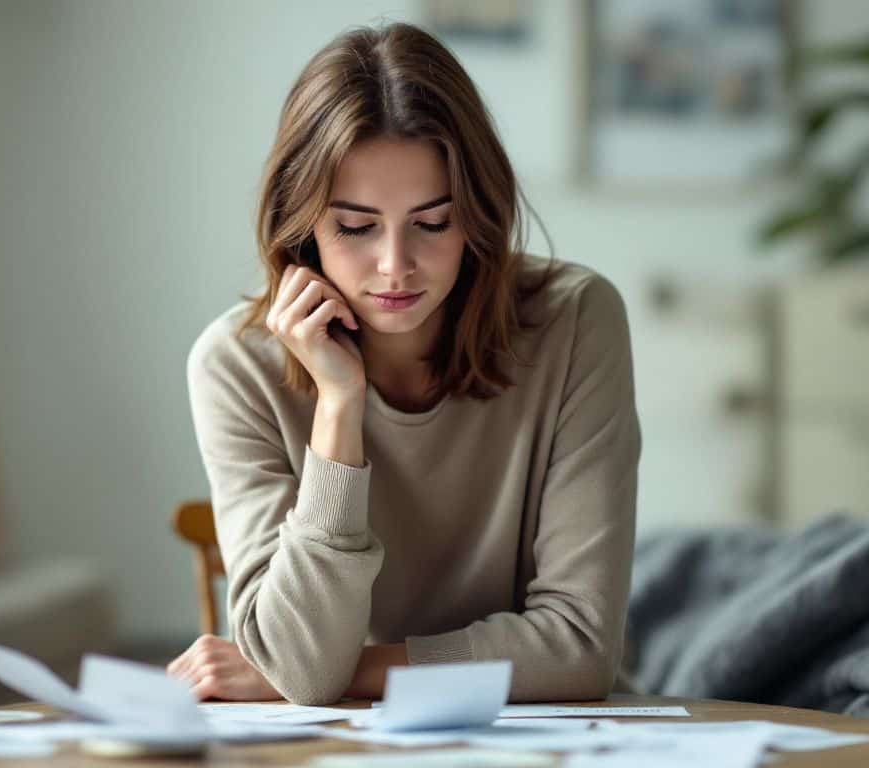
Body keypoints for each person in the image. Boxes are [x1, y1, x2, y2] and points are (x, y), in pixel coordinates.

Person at [167, 22, 640, 706]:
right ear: (301, 227)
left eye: (434, 221)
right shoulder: (234, 367)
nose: (395, 265)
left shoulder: (575, 320)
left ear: (477, 216)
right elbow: (300, 665)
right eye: (356, 227)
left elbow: (578, 650)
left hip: (547, 732)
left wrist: (341, 673)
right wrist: (338, 407)